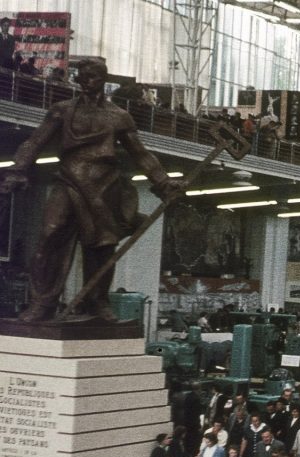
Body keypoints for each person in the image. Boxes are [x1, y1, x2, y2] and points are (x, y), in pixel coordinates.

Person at [0, 58, 184, 322]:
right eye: (82, 76)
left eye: (93, 77)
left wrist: (163, 182)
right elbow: (35, 141)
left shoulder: (119, 116)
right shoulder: (61, 110)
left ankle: (96, 302)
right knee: (50, 234)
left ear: (103, 79)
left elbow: (141, 154)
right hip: (68, 180)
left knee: (101, 246)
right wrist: (18, 168)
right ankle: (43, 302)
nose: (87, 81)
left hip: (104, 185)